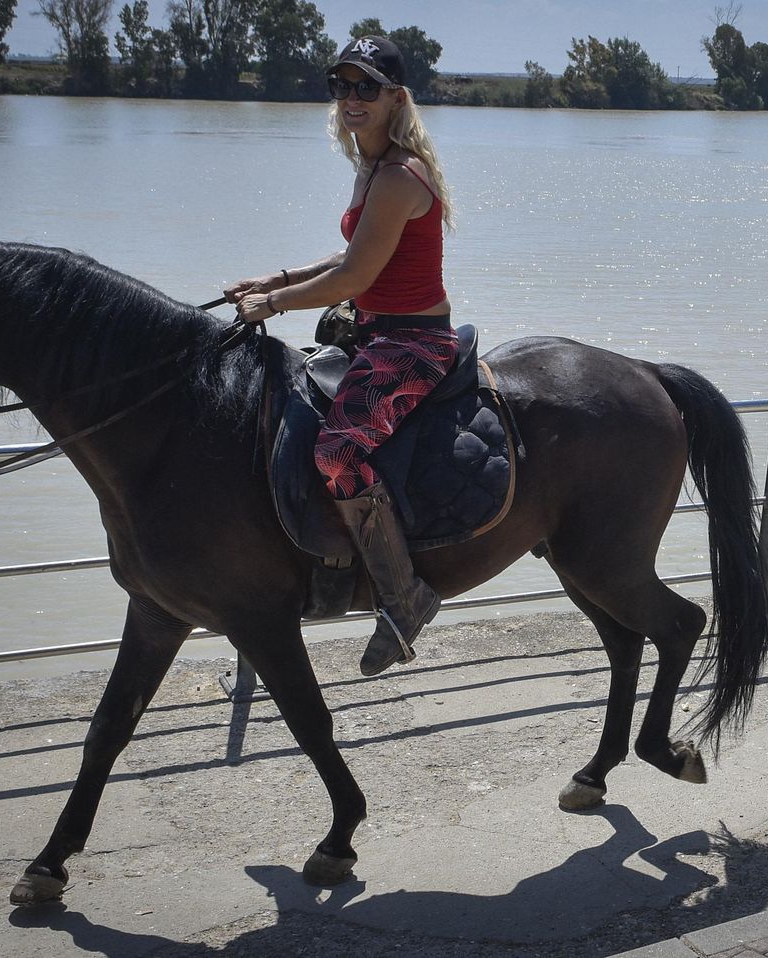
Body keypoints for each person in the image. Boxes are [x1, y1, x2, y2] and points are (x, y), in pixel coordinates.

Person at [227, 36, 456, 677]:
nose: (351, 98)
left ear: (395, 97)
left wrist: (275, 307)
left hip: (414, 343)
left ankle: (405, 596)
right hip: (376, 333)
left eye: (367, 87)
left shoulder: (398, 176)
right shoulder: (372, 165)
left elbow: (353, 279)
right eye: (342, 85)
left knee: (338, 450)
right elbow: (349, 255)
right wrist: (274, 279)